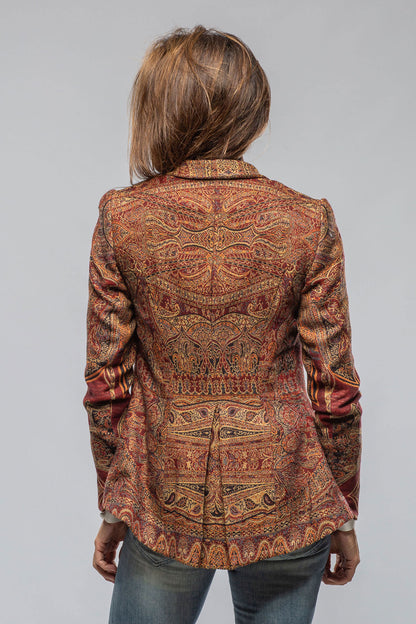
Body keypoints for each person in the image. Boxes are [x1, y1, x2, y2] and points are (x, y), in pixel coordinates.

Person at [83, 24, 361, 624]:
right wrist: (340, 505)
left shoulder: (122, 217)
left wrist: (115, 502)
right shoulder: (307, 220)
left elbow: (106, 384)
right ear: (253, 110)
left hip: (164, 499)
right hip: (289, 498)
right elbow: (334, 389)